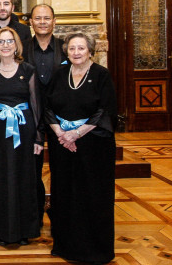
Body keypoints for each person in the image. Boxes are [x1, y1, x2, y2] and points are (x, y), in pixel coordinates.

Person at [44, 32, 116, 264]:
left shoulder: (101, 75)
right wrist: (60, 133)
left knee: (92, 195)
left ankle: (95, 249)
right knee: (65, 194)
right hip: (61, 145)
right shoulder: (59, 74)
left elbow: (104, 111)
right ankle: (65, 245)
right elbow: (47, 106)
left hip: (93, 145)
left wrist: (76, 133)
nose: (76, 52)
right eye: (72, 49)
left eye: (81, 48)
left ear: (90, 51)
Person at [0, 27, 43, 246]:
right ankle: (3, 231)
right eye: (1, 42)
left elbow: (36, 106)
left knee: (24, 178)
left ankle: (25, 230)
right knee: (0, 179)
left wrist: (38, 138)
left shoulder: (28, 69)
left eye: (9, 41)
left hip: (24, 130)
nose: (5, 45)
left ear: (16, 45)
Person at [22, 3, 68, 224]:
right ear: (30, 22)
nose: (42, 22)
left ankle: (61, 213)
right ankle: (35, 215)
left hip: (62, 118)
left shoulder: (66, 48)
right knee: (32, 170)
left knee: (63, 169)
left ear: (54, 21)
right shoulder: (21, 48)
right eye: (37, 18)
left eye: (46, 18)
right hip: (31, 117)